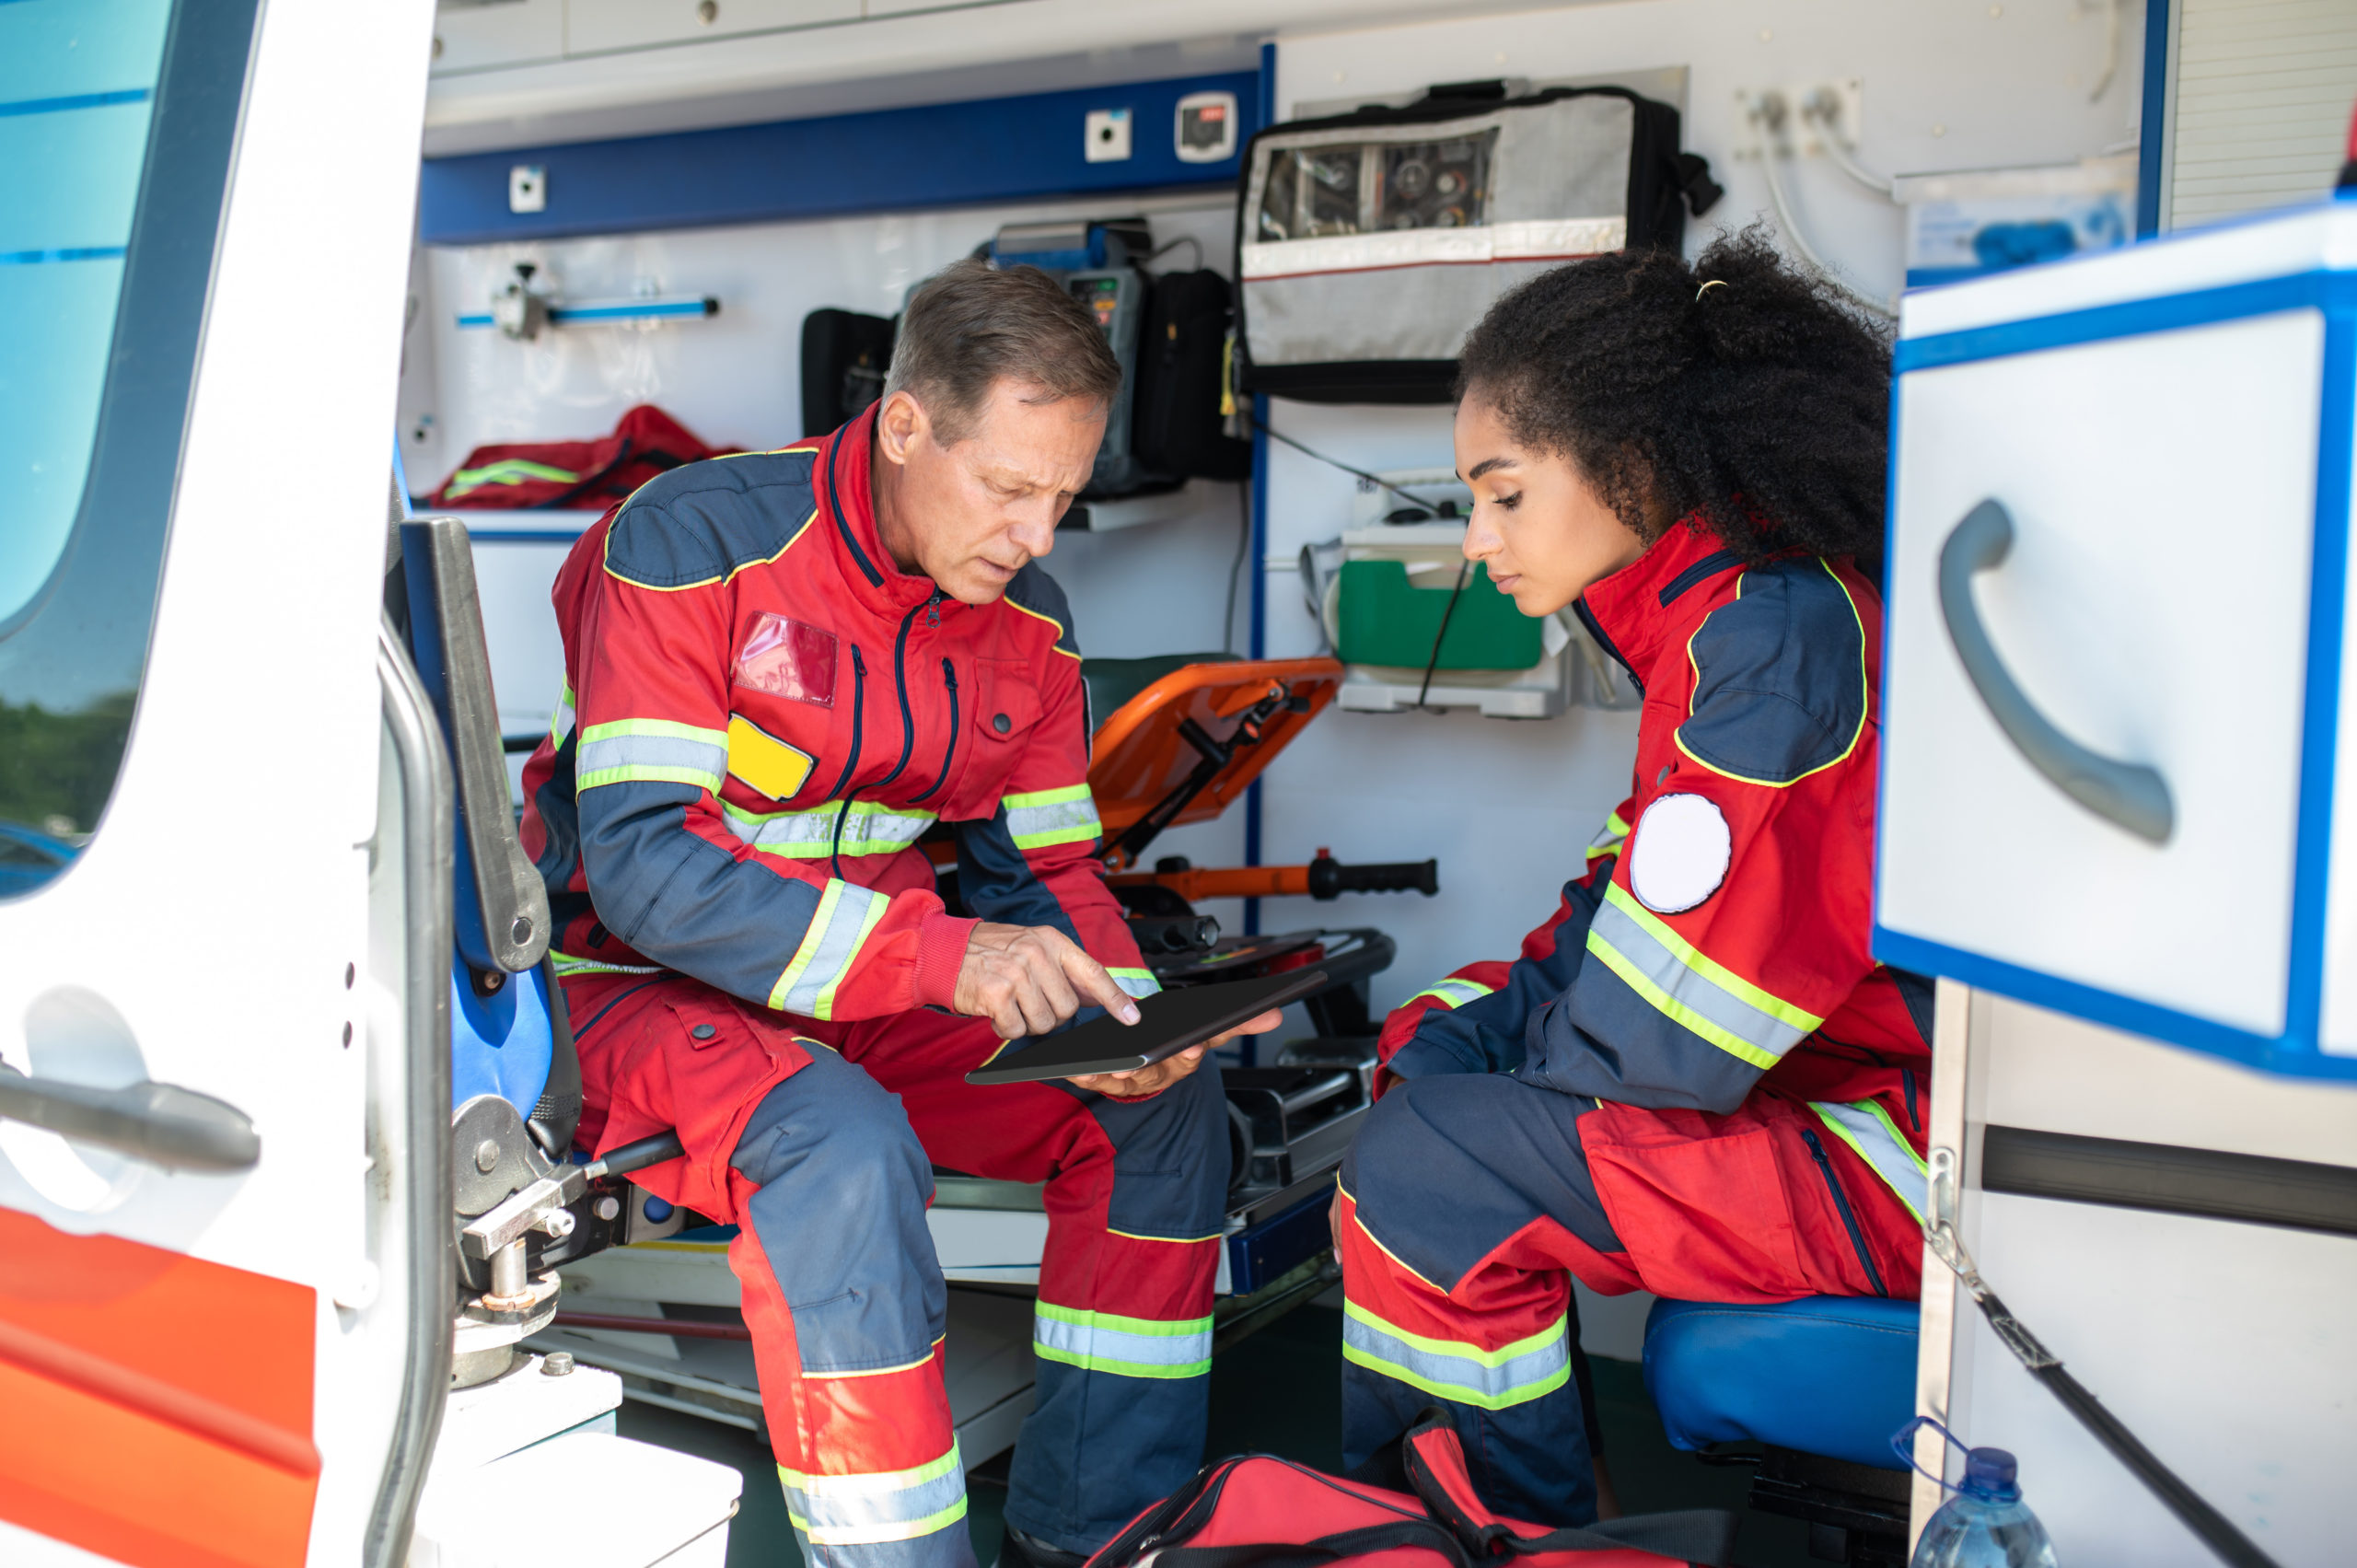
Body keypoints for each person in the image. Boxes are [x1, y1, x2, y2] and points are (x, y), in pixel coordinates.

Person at [518, 259, 1276, 1568]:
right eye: (1008, 487)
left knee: (1163, 1108)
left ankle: (1093, 1532)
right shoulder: (692, 540)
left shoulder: (1029, 626)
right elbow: (642, 869)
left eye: (1062, 499)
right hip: (627, 991)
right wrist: (944, 956)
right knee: (837, 1144)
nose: (1037, 537)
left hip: (876, 994)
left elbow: (1044, 873)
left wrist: (1120, 1014)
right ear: (906, 423)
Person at [1334, 233, 1933, 1527]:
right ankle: (1483, 1513)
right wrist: (1480, 1034)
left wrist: (1478, 1107)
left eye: (1504, 493)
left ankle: (1512, 1543)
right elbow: (1627, 895)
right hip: (1838, 1092)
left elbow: (1666, 1050)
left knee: (1425, 1164)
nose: (1479, 540)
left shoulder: (1770, 642)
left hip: (1906, 1162)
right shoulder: (1712, 614)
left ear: (1632, 464)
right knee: (1432, 1053)